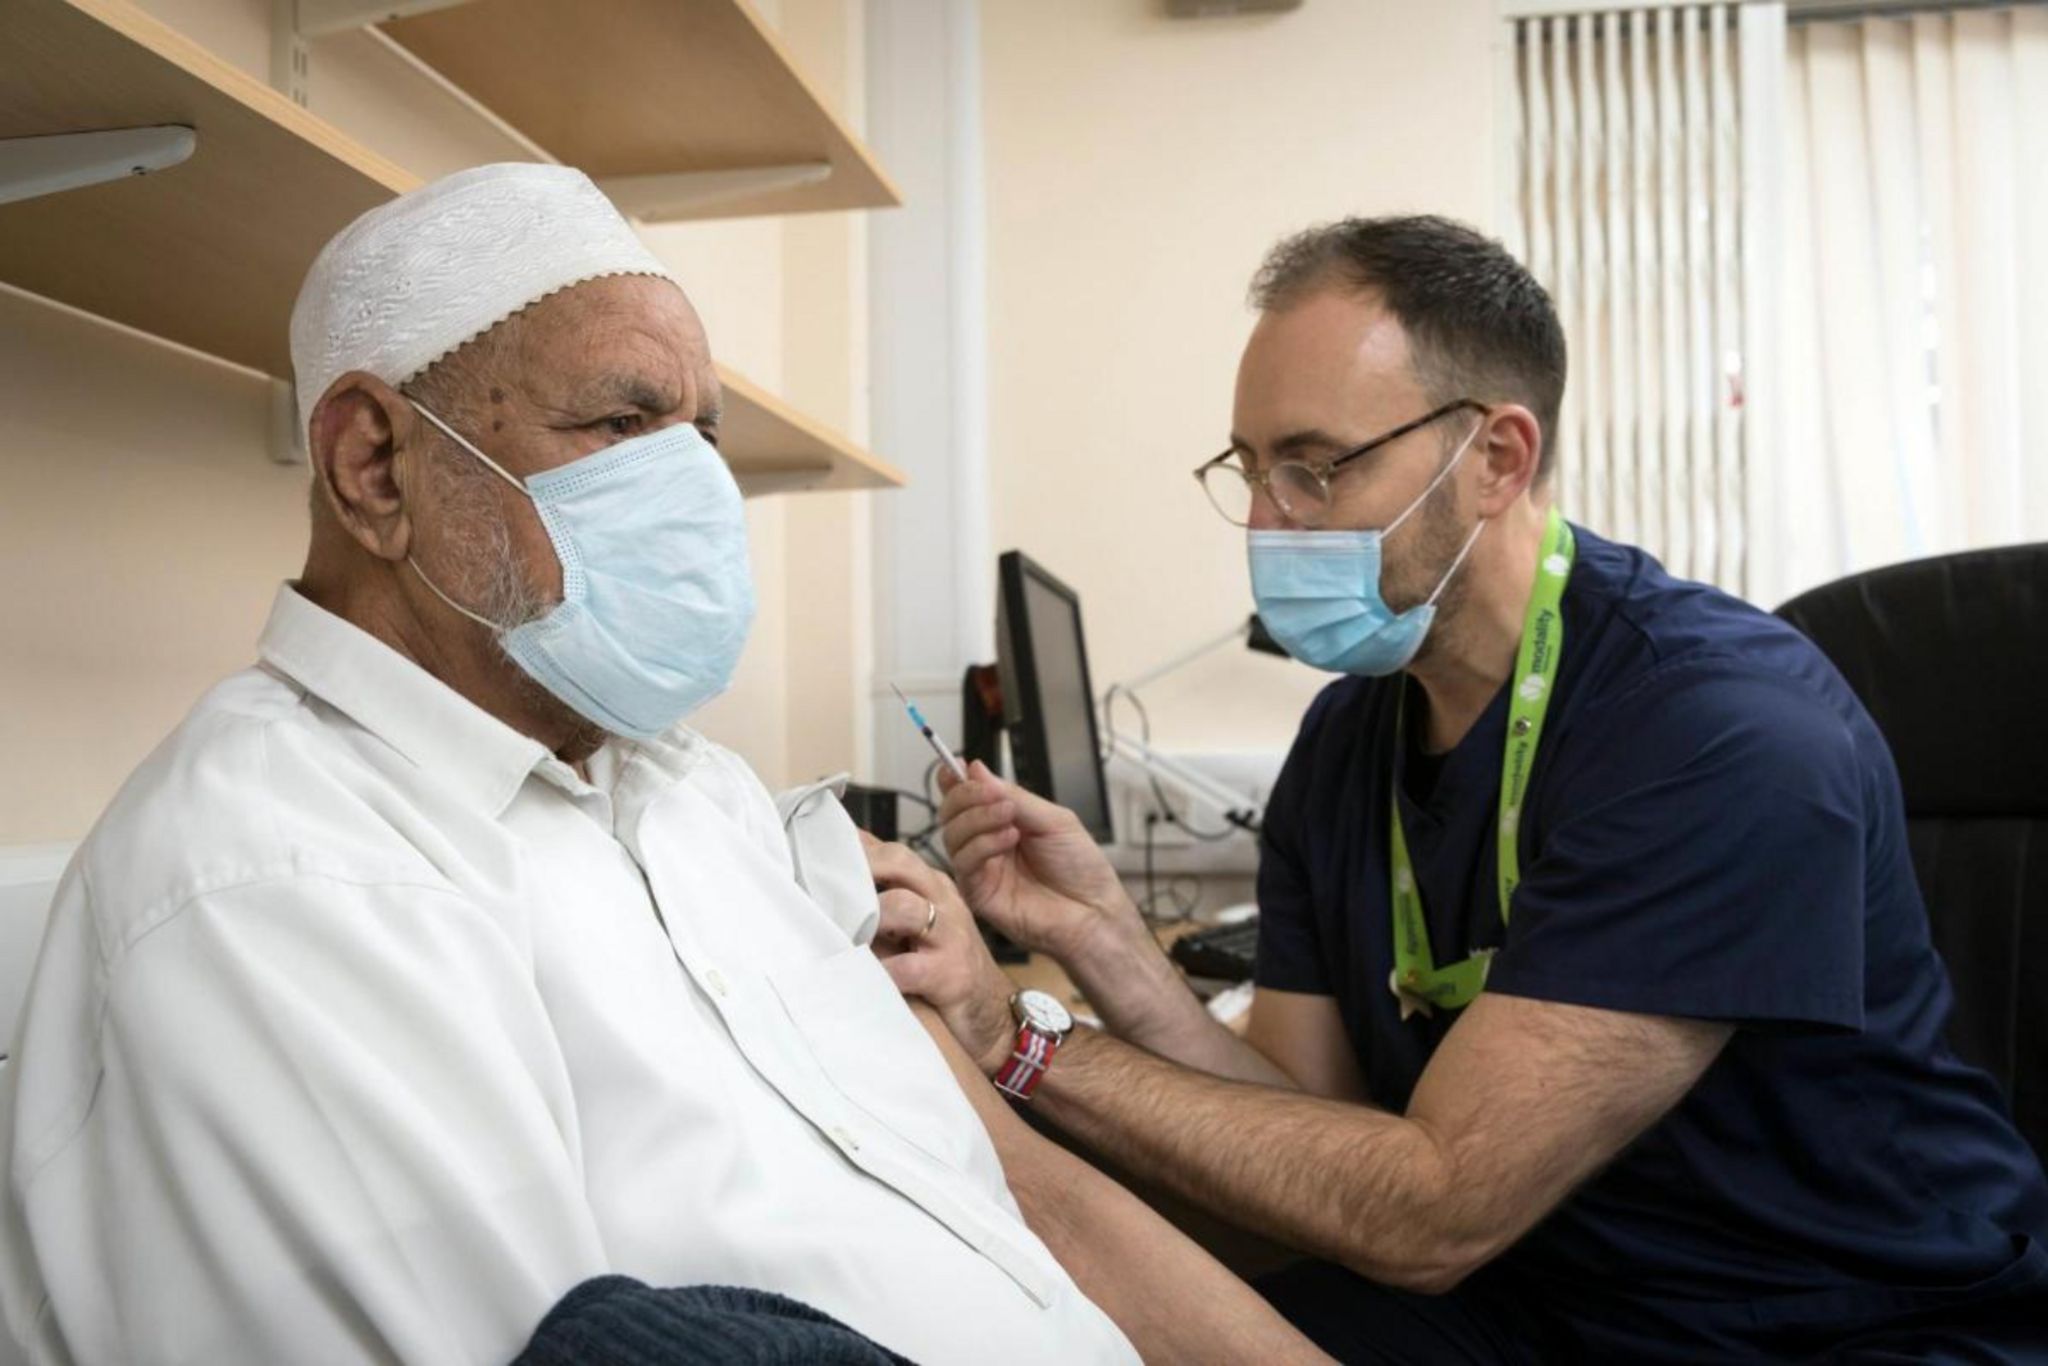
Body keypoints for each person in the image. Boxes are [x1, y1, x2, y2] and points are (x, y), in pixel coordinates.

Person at [0, 164, 1328, 1366]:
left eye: (702, 435)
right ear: (376, 465)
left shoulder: (692, 797)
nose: (695, 488)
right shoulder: (280, 882)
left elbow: (1030, 1199)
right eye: (624, 422)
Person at [879, 215, 2048, 1363]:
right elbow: (1301, 1121)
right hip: (1537, 1294)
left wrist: (1021, 1040)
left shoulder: (1716, 729)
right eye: (1247, 470)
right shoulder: (1346, 737)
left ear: (1495, 459)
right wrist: (1104, 941)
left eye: (1313, 466)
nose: (1265, 522)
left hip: (1825, 1326)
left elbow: (1434, 1204)